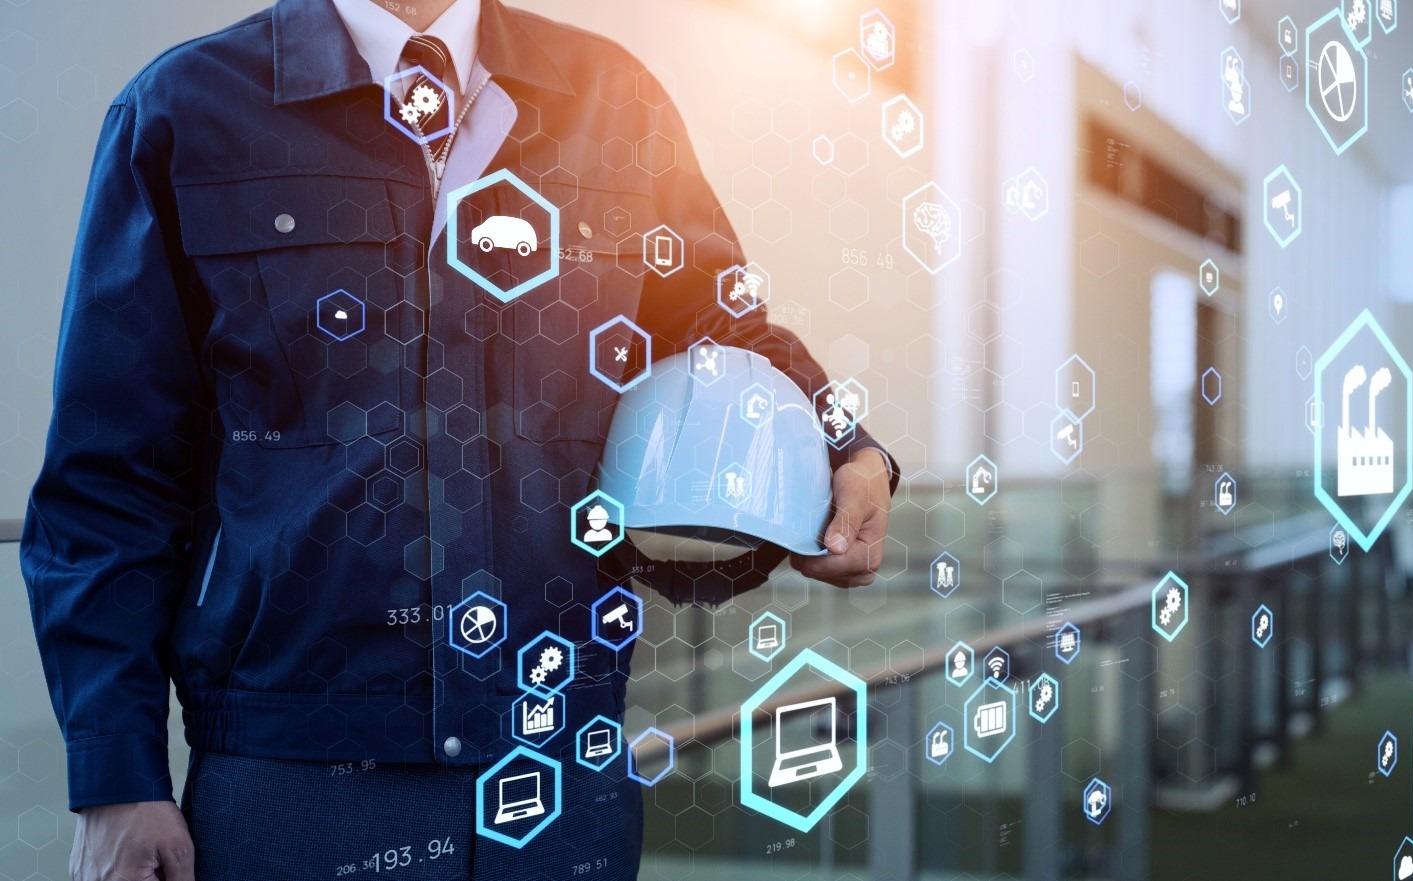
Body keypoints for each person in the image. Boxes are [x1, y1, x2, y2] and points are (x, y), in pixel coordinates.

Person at [20, 1, 898, 878]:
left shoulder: (614, 98)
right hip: (296, 779)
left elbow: (722, 328)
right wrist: (115, 775)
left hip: (564, 767)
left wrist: (846, 442)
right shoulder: (185, 109)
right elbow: (109, 482)